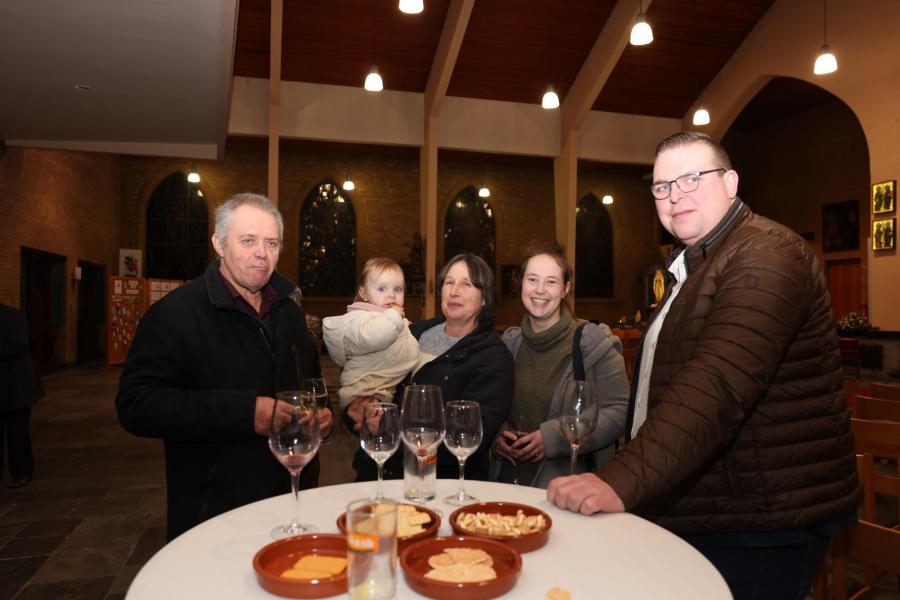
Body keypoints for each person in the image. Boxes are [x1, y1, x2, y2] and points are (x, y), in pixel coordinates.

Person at [547, 132, 860, 600]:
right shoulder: (694, 264)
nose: (675, 196)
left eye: (691, 179)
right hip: (708, 501)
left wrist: (620, 480)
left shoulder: (766, 254)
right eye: (661, 187)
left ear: (731, 183)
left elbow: (716, 385)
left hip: (763, 515)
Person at [117, 193, 332, 540]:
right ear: (219, 243)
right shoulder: (175, 315)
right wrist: (245, 412)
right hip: (215, 510)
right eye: (248, 241)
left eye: (272, 243)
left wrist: (324, 415)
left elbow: (312, 384)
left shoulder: (290, 314)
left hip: (292, 501)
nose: (262, 253)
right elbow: (137, 405)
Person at [345, 253, 514, 482]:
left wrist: (388, 425)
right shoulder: (410, 332)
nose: (454, 291)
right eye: (449, 282)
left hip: (441, 485)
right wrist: (356, 407)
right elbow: (366, 374)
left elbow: (470, 434)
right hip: (376, 473)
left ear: (484, 298)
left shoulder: (493, 357)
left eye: (467, 284)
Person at [491, 241, 628, 488]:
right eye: (532, 279)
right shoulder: (509, 344)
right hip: (508, 484)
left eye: (551, 281)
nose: (540, 290)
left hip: (564, 487)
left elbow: (618, 410)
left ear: (565, 289)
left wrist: (555, 437)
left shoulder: (592, 343)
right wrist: (496, 435)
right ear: (520, 283)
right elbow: (494, 404)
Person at [322, 257, 430, 410]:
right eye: (381, 289)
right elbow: (373, 336)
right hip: (363, 391)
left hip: (383, 389)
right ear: (364, 294)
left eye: (397, 289)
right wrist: (394, 317)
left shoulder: (389, 318)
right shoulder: (362, 318)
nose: (391, 295)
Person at [0, 302, 44, 489]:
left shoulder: (11, 315)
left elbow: (19, 345)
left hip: (16, 385)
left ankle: (22, 472)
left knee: (17, 432)